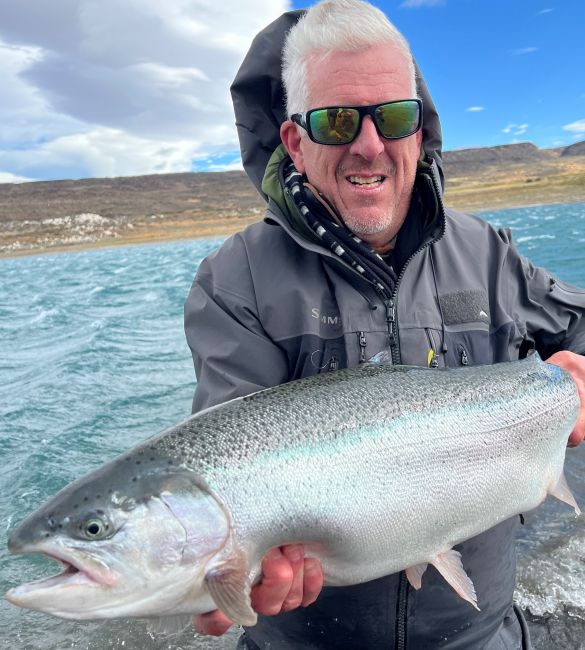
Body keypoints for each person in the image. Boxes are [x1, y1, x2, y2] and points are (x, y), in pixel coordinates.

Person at [184, 1, 585, 647]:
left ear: (418, 131)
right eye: (336, 121)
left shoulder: (488, 253)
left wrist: (575, 375)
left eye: (392, 117)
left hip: (481, 633)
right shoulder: (236, 281)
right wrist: (222, 576)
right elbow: (232, 465)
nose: (367, 145)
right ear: (294, 140)